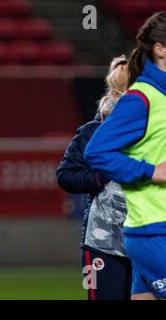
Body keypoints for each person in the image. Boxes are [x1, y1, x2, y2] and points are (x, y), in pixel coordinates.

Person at [84, 11, 166, 300]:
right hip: (153, 230)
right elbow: (96, 151)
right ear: (160, 48)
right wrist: (149, 170)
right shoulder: (142, 98)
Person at [57, 55, 132, 300]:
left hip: (149, 240)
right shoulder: (92, 133)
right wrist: (100, 176)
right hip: (102, 244)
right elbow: (66, 176)